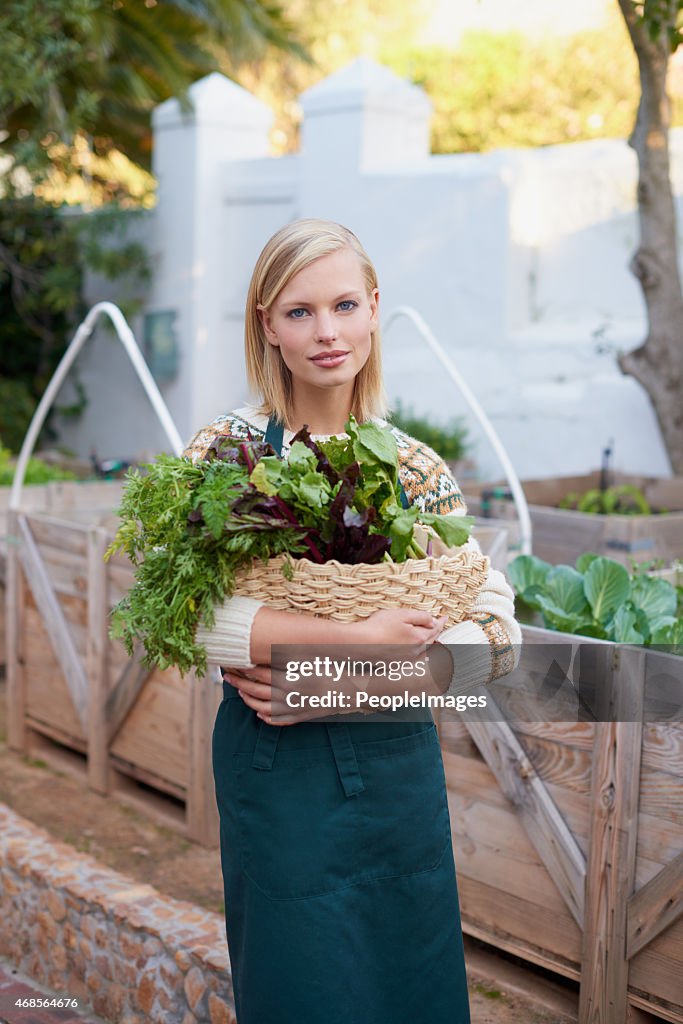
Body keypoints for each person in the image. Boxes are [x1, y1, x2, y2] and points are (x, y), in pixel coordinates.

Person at [183, 219, 521, 1024]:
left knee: (416, 985)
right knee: (298, 986)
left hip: (397, 765)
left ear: (373, 309)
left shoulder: (415, 469)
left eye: (342, 305)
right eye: (298, 312)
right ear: (266, 323)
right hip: (277, 770)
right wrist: (362, 638)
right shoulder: (227, 451)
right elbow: (199, 620)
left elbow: (495, 637)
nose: (325, 332)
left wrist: (339, 682)